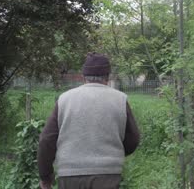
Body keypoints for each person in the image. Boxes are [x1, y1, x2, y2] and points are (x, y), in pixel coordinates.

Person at [37, 53, 140, 189]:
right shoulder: (120, 99)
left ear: (83, 76)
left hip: (70, 175)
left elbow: (46, 141)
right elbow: (133, 139)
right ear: (107, 77)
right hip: (107, 176)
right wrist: (113, 154)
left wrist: (46, 177)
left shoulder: (65, 99)